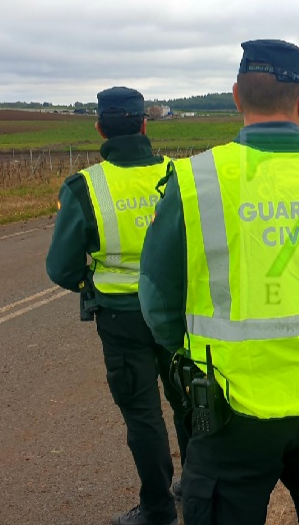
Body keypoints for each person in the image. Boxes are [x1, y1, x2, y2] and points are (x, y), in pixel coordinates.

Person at [139, 39, 299, 525]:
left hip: (229, 405)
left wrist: (192, 354)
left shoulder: (194, 180)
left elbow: (158, 303)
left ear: (236, 96)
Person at [46, 86, 190, 525]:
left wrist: (90, 281)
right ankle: (199, 486)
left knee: (143, 417)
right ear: (145, 124)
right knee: (188, 400)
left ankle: (158, 511)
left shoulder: (85, 186)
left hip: (121, 317)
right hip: (180, 312)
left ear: (99, 128)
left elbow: (60, 267)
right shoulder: (182, 174)